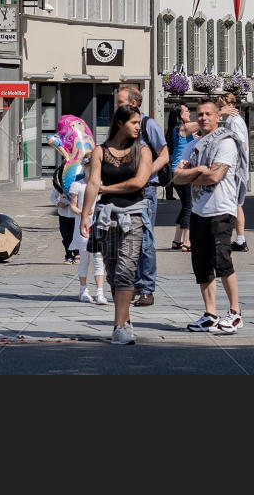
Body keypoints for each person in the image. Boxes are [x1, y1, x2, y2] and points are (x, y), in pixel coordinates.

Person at [81, 104, 155, 345]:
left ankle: (119, 327)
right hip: (106, 217)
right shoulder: (100, 151)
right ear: (120, 123)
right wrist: (85, 214)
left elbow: (139, 182)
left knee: (126, 271)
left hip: (133, 216)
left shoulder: (143, 151)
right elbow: (93, 183)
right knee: (113, 274)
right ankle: (125, 318)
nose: (138, 127)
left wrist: (106, 188)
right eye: (134, 122)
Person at [175, 97, 244, 334]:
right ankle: (210, 314)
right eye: (200, 114)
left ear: (218, 116)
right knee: (202, 266)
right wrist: (198, 170)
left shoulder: (226, 142)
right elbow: (176, 176)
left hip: (221, 210)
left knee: (222, 261)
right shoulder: (192, 145)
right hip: (198, 210)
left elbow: (215, 176)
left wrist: (190, 175)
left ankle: (235, 313)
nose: (203, 118)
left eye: (208, 114)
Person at [115, 83, 168, 308]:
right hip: (126, 189)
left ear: (134, 103)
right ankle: (135, 284)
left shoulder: (148, 124)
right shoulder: (120, 126)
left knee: (145, 240)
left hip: (145, 191)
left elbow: (164, 155)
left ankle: (147, 288)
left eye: (120, 102)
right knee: (127, 238)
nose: (115, 105)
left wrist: (145, 174)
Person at [216, 91, 250, 252]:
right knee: (236, 203)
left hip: (235, 168)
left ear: (230, 106)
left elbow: (241, 144)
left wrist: (230, 163)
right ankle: (240, 239)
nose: (219, 109)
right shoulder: (232, 120)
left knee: (233, 203)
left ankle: (237, 239)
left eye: (221, 106)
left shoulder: (234, 121)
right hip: (236, 167)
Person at [70, 172, 107, 307]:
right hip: (82, 224)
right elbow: (72, 206)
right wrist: (82, 212)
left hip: (98, 224)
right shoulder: (77, 185)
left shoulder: (102, 184)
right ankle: (83, 289)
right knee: (84, 258)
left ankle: (100, 292)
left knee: (98, 258)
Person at [168, 104, 197, 251]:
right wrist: (218, 112)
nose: (189, 113)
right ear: (180, 115)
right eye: (186, 111)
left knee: (185, 204)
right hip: (182, 171)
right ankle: (187, 241)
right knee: (189, 206)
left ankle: (176, 240)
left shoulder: (177, 130)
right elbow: (201, 124)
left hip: (176, 172)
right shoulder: (182, 128)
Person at [53, 166, 78, 263]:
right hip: (63, 214)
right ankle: (68, 255)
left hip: (75, 215)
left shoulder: (77, 184)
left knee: (75, 235)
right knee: (65, 236)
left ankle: (77, 254)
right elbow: (53, 197)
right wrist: (58, 203)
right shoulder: (60, 185)